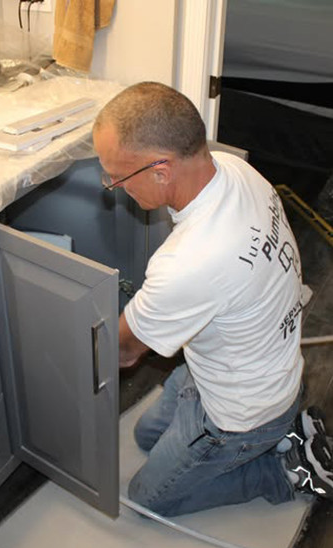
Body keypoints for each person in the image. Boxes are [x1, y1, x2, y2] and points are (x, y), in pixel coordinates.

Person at [92, 81, 333, 516]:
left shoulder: (189, 261)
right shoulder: (232, 169)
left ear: (161, 171)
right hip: (237, 369)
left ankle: (288, 470)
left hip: (241, 415)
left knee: (149, 499)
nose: (113, 185)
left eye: (118, 177)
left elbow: (122, 351)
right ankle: (282, 430)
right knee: (146, 437)